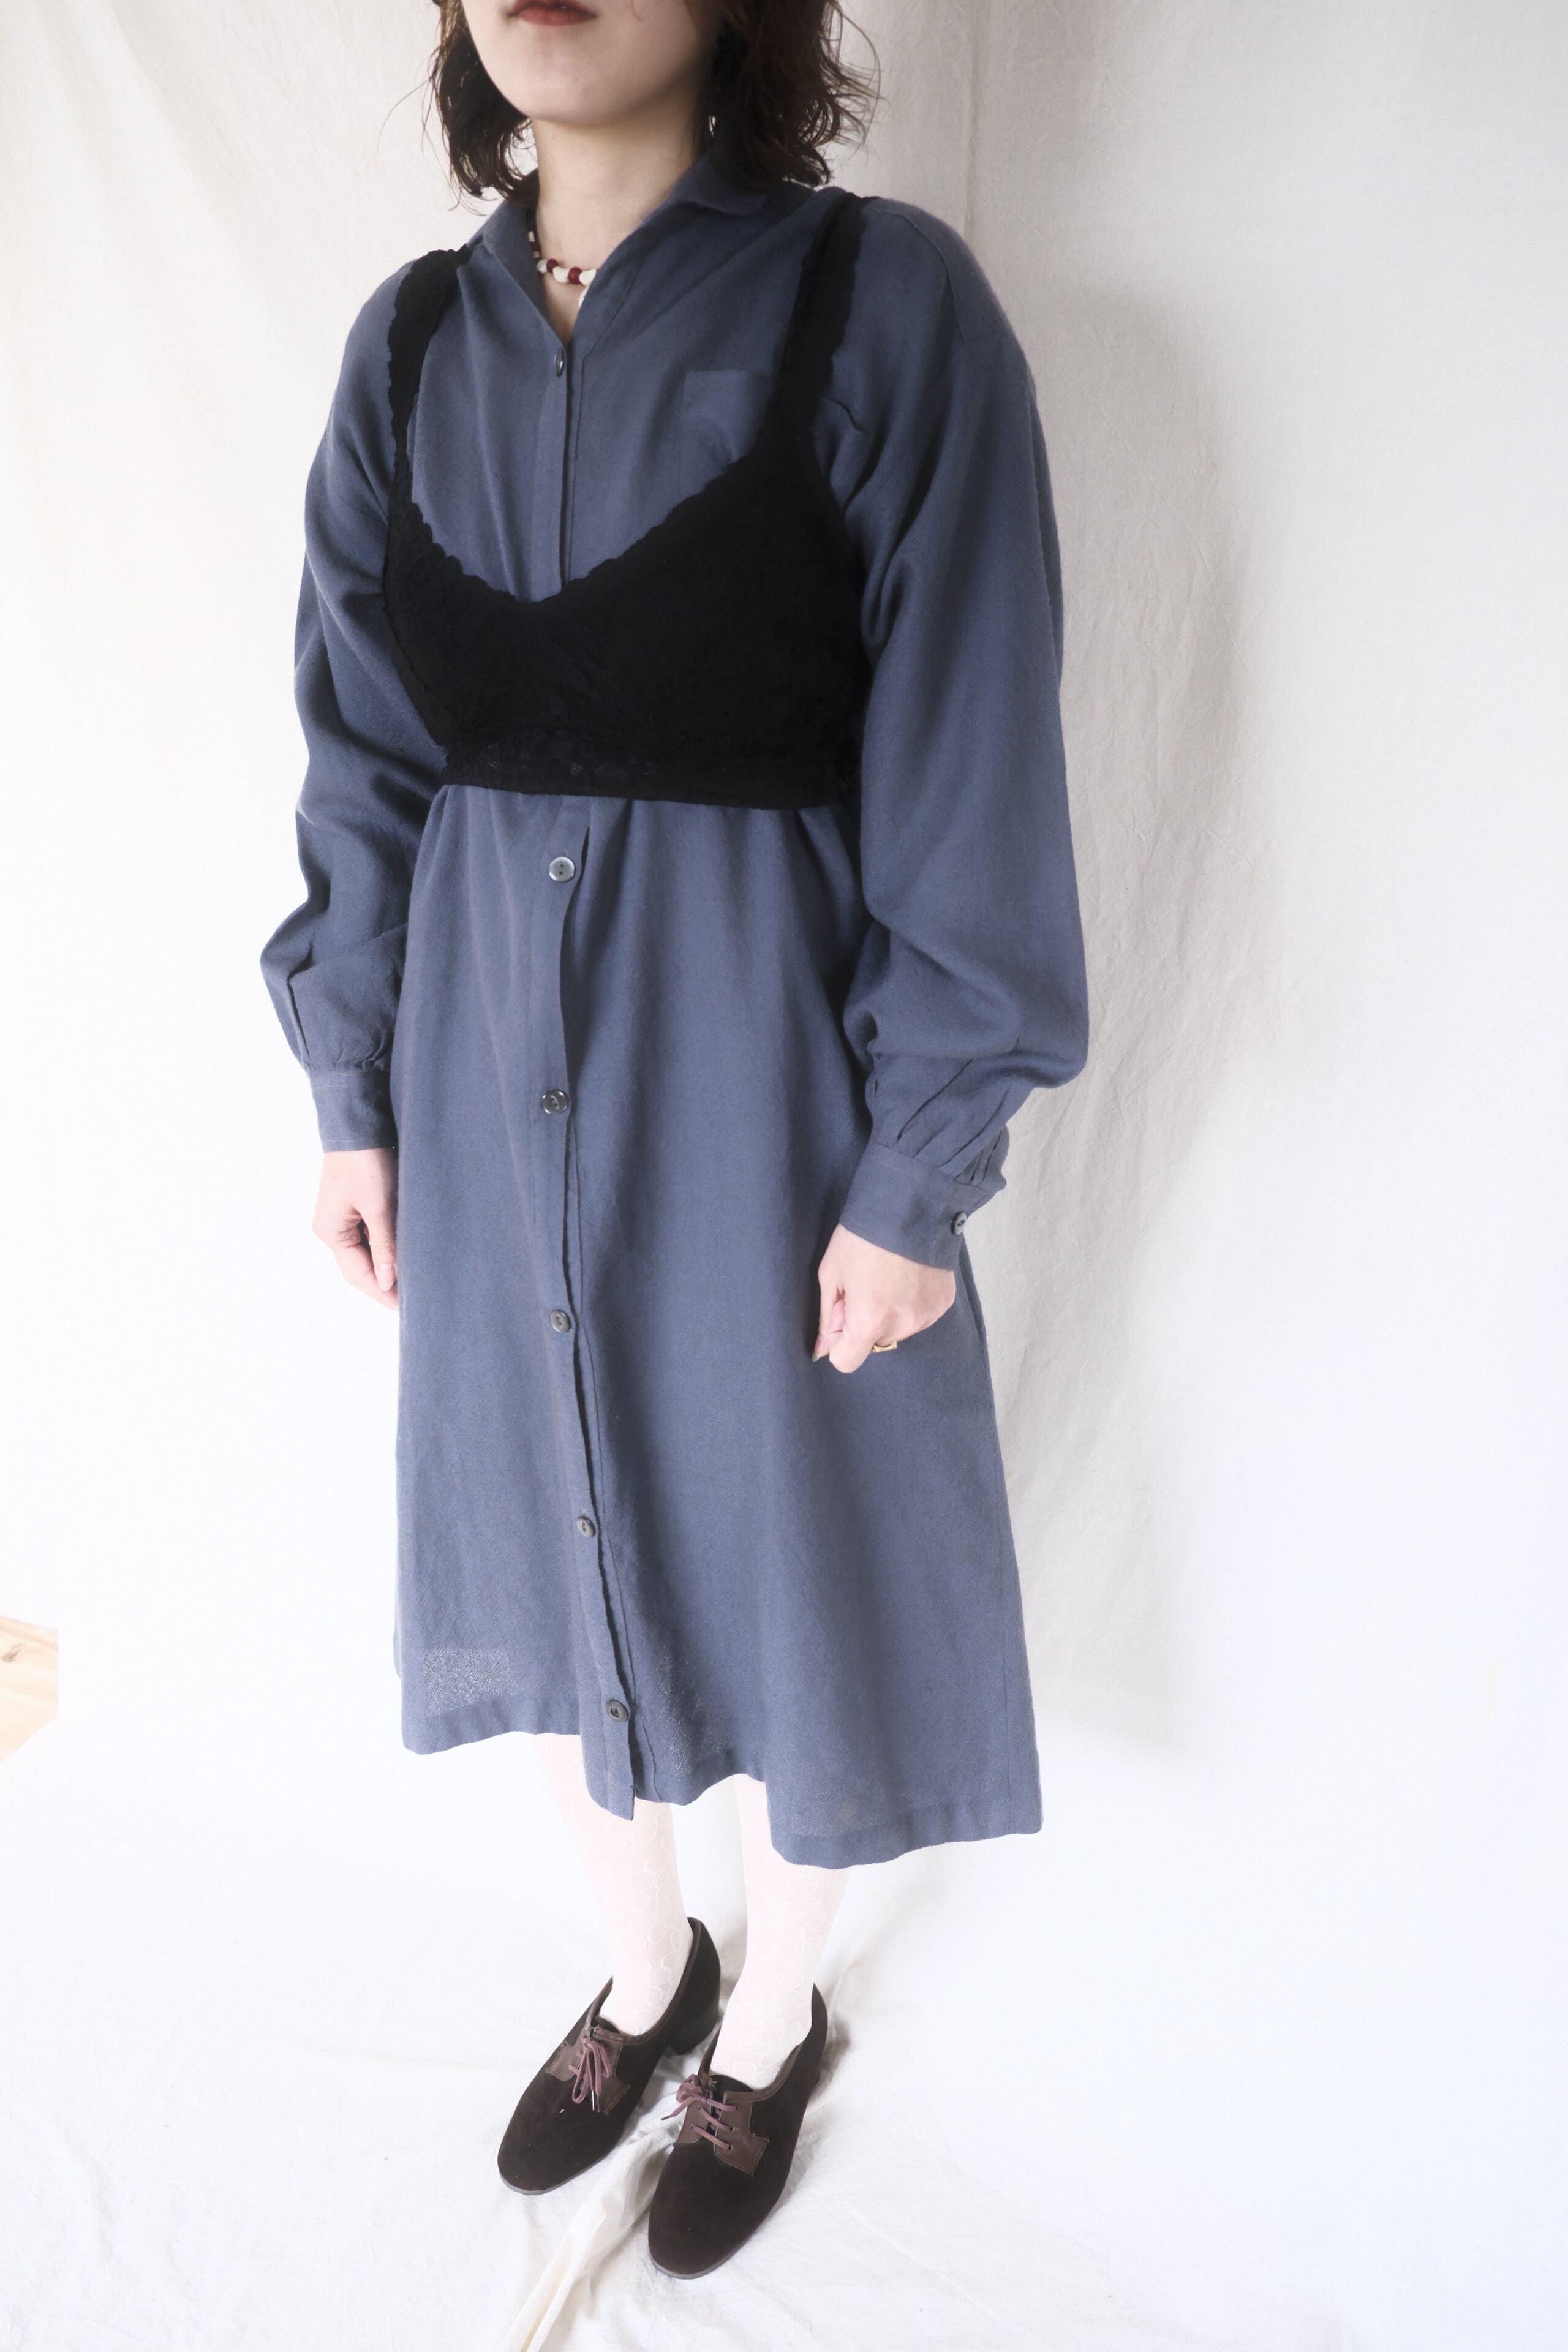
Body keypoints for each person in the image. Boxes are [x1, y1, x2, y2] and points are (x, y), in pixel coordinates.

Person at [260, 0, 1088, 2279]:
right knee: (536, 1524)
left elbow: (973, 750)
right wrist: (351, 1088)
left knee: (800, 1543)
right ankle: (647, 1974)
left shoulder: (882, 307)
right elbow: (362, 748)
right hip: (473, 1080)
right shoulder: (404, 351)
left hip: (769, 1086)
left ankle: (779, 2013)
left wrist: (915, 1166)